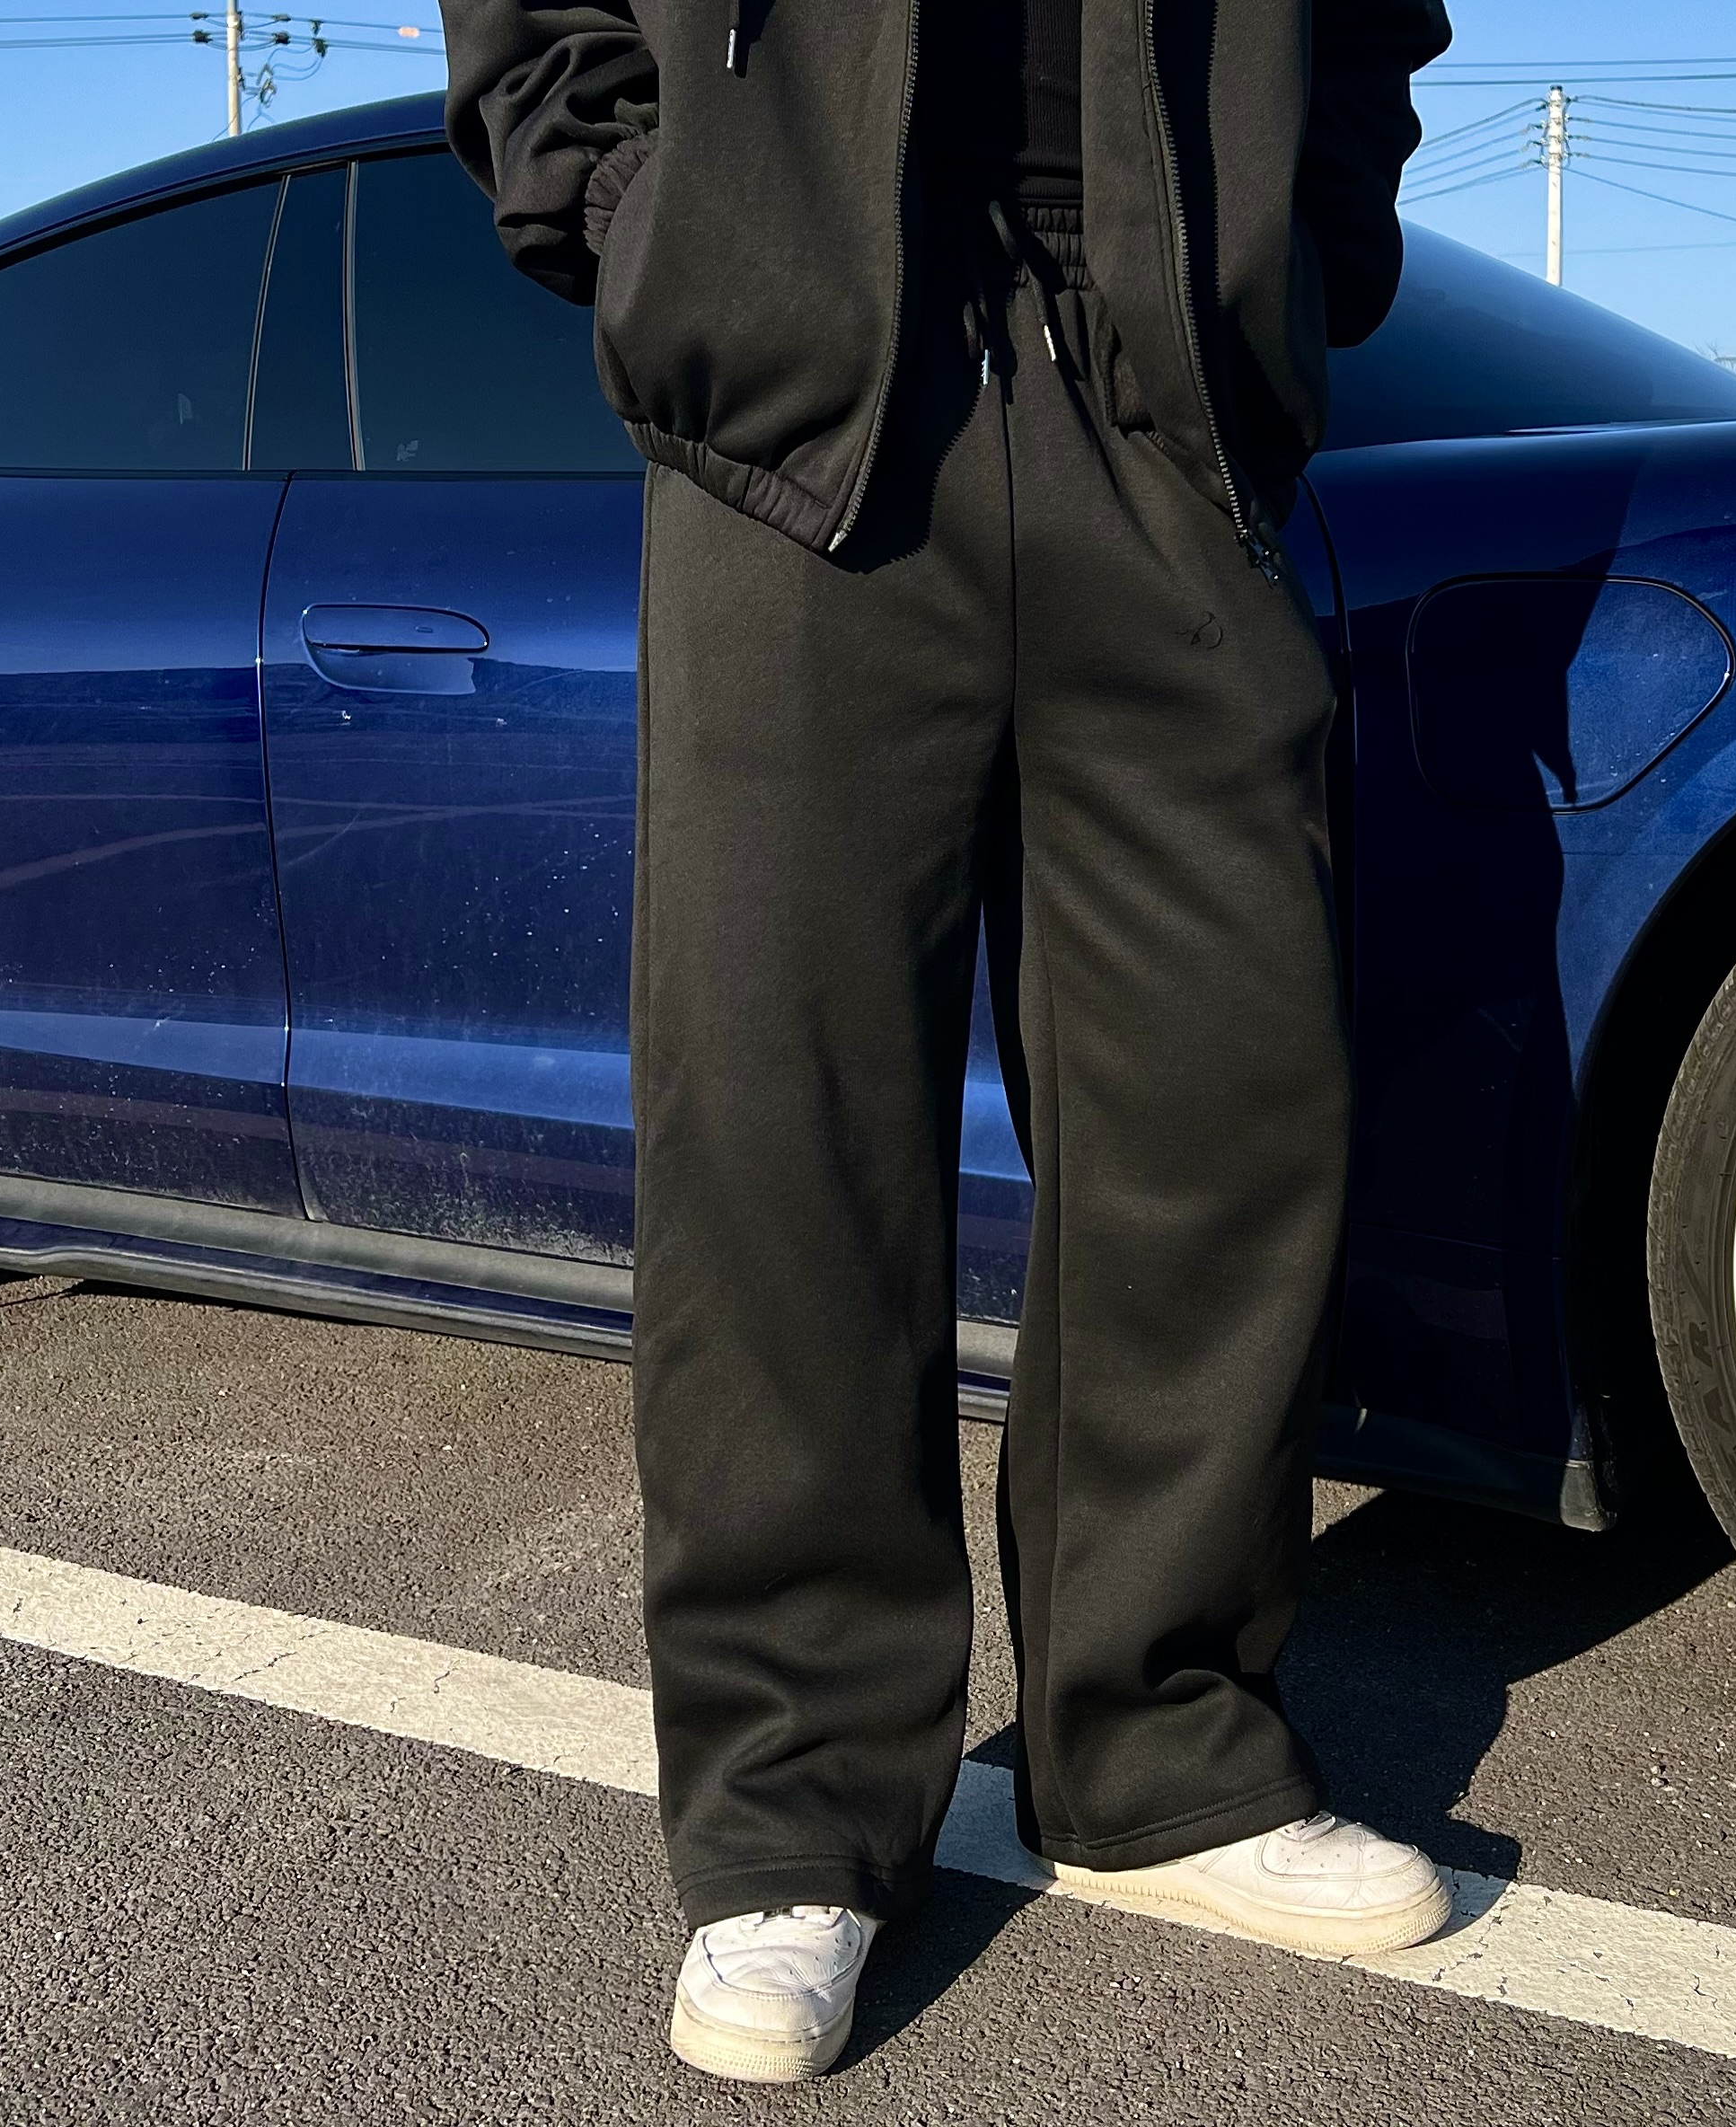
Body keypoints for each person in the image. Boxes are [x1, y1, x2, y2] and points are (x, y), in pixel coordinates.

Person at [440, 0, 1454, 2083]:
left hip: (1167, 413)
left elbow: (1366, 22)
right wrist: (660, 221)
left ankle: (1161, 1746)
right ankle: (795, 1809)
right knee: (782, 1130)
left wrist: (1297, 242)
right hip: (808, 428)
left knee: (1222, 1105)